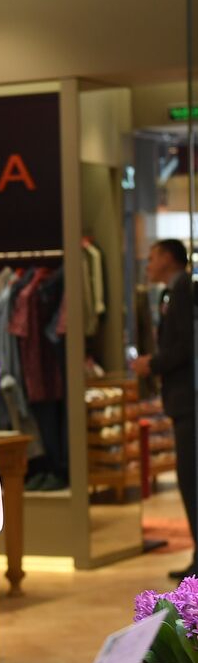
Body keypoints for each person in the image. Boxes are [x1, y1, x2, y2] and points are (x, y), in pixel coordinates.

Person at [132, 239, 195, 580]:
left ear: (169, 258)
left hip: (188, 400)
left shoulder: (183, 290)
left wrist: (151, 364)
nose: (148, 263)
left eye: (153, 256)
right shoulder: (172, 292)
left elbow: (184, 347)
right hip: (183, 400)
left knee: (190, 479)